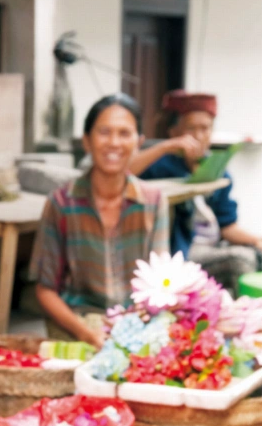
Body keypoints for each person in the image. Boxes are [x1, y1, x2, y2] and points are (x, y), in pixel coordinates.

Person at [30, 94, 169, 348]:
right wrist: (86, 333)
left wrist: (133, 324)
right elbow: (45, 289)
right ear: (87, 141)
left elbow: (160, 283)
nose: (114, 142)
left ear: (139, 142)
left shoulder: (154, 201)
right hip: (77, 325)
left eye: (124, 133)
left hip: (138, 322)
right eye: (104, 132)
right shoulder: (61, 203)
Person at [130, 90, 262, 292]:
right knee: (240, 260)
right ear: (174, 132)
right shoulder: (158, 165)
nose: (199, 136)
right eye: (191, 128)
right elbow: (123, 173)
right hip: (180, 251)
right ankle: (243, 317)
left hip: (213, 246)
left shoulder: (218, 170)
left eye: (206, 128)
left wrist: (257, 240)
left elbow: (227, 226)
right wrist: (164, 147)